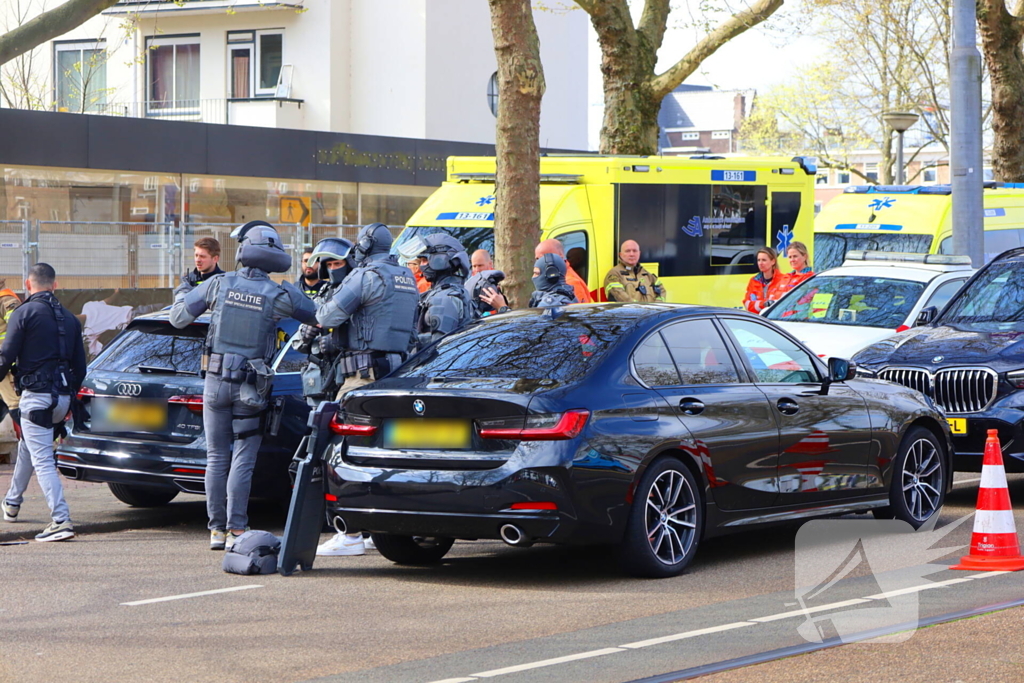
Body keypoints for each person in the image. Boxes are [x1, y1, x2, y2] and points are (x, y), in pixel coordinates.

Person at [170, 221, 317, 552]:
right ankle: (237, 527)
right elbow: (318, 316)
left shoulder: (218, 283)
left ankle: (215, 530)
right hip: (251, 387)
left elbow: (178, 318)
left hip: (215, 382)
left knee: (216, 456)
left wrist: (183, 291)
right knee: (244, 456)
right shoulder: (279, 294)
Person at [314, 222, 419, 557]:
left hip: (363, 378)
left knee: (344, 453)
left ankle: (349, 534)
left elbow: (326, 316)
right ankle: (380, 528)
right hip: (397, 377)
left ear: (363, 246)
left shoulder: (366, 275)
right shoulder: (407, 277)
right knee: (388, 455)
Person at [1, 263, 87, 542]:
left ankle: (61, 520)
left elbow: (6, 357)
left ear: (28, 285)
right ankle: (12, 502)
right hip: (62, 399)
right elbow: (80, 368)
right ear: (55, 285)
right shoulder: (70, 319)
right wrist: (68, 398)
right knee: (29, 446)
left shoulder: (24, 313)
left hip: (36, 397)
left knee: (43, 460)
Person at [293, 237, 354, 406]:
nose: (333, 269)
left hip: (347, 374)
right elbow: (297, 344)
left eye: (337, 264)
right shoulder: (324, 294)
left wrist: (338, 343)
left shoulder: (356, 293)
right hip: (320, 377)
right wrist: (305, 335)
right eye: (329, 265)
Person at [412, 234, 476, 348]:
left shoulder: (444, 298)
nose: (421, 266)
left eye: (424, 260)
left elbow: (439, 346)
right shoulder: (455, 291)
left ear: (440, 260)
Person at [480, 254, 578, 312]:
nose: (533, 277)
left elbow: (531, 333)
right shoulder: (567, 295)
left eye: (537, 273)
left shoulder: (551, 303)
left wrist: (502, 308)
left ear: (551, 276)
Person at [535, 239, 593, 303]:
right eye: (537, 259)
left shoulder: (570, 282)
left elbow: (579, 308)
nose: (538, 262)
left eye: (542, 258)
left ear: (560, 256)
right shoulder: (557, 278)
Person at [0, 280, 21, 429]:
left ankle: (48, 441)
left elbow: (18, 328)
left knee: (15, 405)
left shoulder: (6, 300)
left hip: (5, 366)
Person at [744, 246, 787, 313]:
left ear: (773, 261)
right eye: (759, 260)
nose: (760, 263)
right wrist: (764, 304)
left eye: (764, 260)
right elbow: (748, 305)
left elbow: (780, 306)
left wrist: (758, 305)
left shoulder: (784, 280)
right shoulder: (754, 281)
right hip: (757, 318)